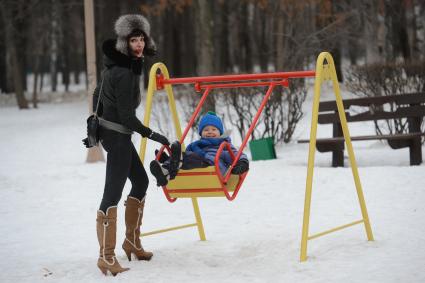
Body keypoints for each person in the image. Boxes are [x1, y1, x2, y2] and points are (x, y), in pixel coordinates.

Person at [91, 14, 169, 276]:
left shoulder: (118, 65)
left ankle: (131, 242)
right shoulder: (123, 72)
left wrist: (101, 119)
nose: (138, 44)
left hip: (115, 132)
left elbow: (97, 95)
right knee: (111, 195)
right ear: (125, 43)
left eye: (141, 39)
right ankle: (106, 256)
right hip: (117, 134)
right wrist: (151, 134)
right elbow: (126, 116)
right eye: (133, 40)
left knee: (141, 182)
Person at [150, 111, 249, 186]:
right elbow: (187, 154)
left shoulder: (224, 145)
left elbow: (236, 154)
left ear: (220, 133)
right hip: (196, 168)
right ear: (201, 133)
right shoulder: (196, 145)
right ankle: (165, 171)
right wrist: (170, 158)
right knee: (186, 156)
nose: (210, 132)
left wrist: (243, 163)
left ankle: (174, 161)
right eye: (206, 130)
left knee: (188, 157)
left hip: (212, 165)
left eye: (214, 129)